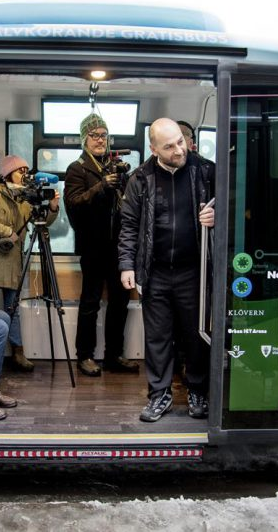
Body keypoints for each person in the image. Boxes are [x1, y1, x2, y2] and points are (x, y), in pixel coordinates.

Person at [118, 117, 215, 422]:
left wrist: (216, 217)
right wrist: (126, 265)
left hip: (194, 270)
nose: (179, 150)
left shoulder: (207, 172)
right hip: (155, 271)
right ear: (153, 148)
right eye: (169, 146)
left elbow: (236, 212)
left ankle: (198, 391)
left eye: (180, 142)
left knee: (196, 335)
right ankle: (160, 396)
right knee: (157, 337)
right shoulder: (140, 178)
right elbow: (129, 225)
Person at [64, 113, 139, 377]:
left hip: (118, 248)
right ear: (85, 138)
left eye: (104, 135)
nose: (100, 140)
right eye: (94, 135)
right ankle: (84, 355)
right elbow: (73, 204)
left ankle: (113, 355)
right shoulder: (77, 168)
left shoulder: (113, 166)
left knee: (120, 303)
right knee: (90, 303)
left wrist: (125, 180)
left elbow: (128, 206)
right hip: (93, 246)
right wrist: (100, 186)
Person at [0, 155, 60, 372]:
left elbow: (40, 222)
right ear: (7, 174)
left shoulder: (25, 197)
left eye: (27, 170)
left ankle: (18, 352)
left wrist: (53, 207)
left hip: (14, 260)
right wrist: (9, 232)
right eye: (20, 170)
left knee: (13, 309)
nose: (25, 174)